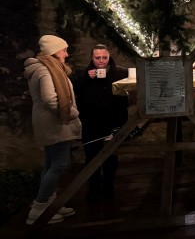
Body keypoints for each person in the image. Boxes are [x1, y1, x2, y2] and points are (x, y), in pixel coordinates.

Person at [24, 35, 81, 225]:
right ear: (54, 51)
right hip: (54, 123)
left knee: (50, 163)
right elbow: (50, 99)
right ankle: (39, 209)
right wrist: (72, 112)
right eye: (63, 49)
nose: (67, 53)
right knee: (59, 164)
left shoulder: (49, 68)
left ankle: (48, 202)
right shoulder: (46, 71)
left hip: (50, 122)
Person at [72, 44, 129, 202]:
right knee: (92, 157)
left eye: (104, 57)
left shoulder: (119, 73)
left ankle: (109, 188)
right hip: (91, 123)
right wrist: (86, 78)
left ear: (109, 57)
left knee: (111, 157)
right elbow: (74, 90)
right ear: (92, 58)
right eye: (98, 58)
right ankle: (93, 190)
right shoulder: (83, 74)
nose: (101, 61)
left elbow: (127, 94)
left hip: (113, 122)